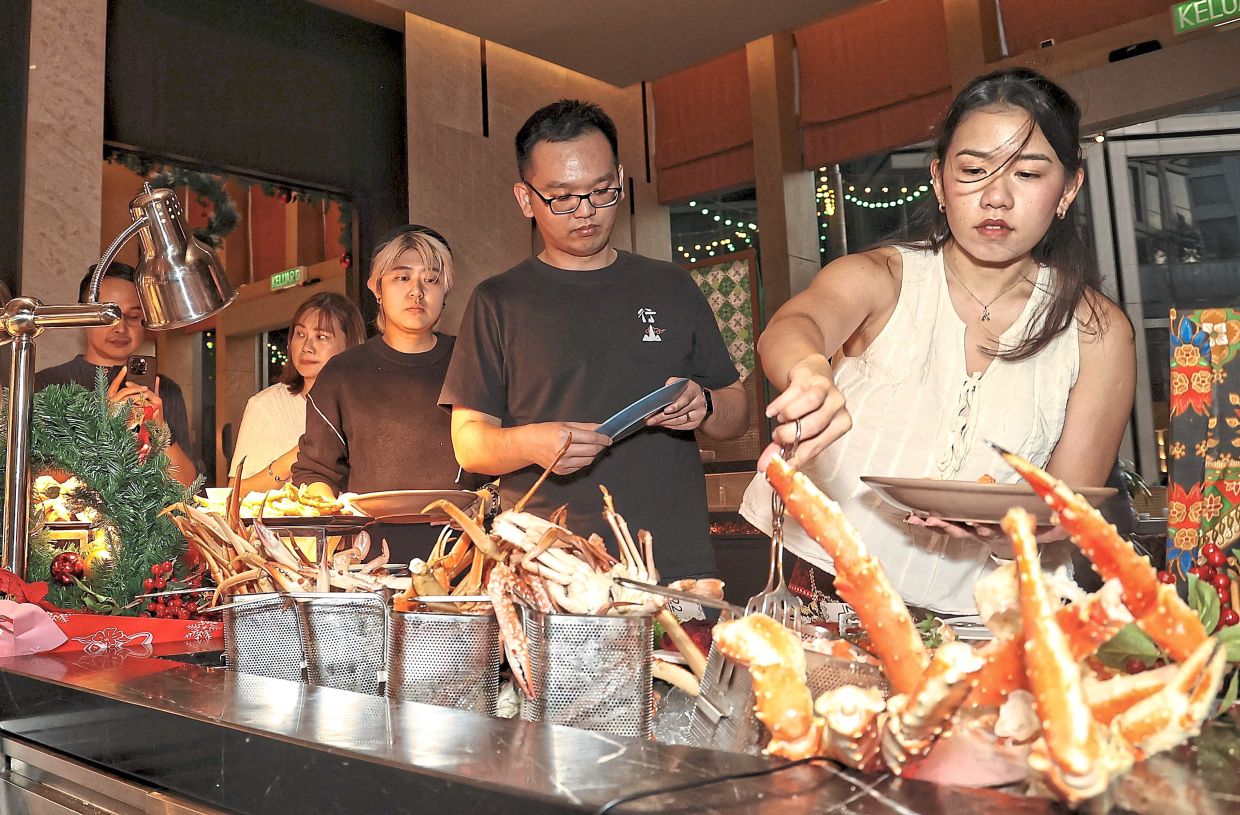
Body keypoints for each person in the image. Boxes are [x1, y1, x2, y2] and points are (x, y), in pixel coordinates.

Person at [740, 68, 1136, 616]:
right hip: (821, 599)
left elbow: (1065, 509)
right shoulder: (883, 277)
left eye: (1027, 173)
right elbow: (793, 325)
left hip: (986, 623)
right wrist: (808, 370)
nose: (996, 197)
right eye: (973, 170)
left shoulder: (1097, 331)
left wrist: (1008, 536)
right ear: (938, 179)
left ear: (1068, 188)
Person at [440, 99, 749, 580]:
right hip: (551, 568)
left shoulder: (671, 286)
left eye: (602, 191)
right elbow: (470, 443)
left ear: (621, 180)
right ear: (525, 199)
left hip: (673, 560)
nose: (586, 212)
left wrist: (705, 404)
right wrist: (532, 442)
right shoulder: (498, 300)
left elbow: (736, 410)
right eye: (562, 198)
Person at [292, 226, 470, 563]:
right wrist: (333, 514)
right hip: (369, 557)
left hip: (461, 555)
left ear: (446, 290)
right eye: (402, 278)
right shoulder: (343, 373)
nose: (417, 292)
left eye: (430, 280)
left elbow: (497, 466)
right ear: (377, 288)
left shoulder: (473, 363)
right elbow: (315, 472)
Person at [36, 263, 203, 488]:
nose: (121, 328)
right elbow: (38, 481)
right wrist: (103, 429)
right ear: (83, 317)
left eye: (133, 317)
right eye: (109, 317)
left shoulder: (164, 389)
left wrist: (160, 431)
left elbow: (187, 488)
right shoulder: (47, 384)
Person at [231, 292, 365, 495]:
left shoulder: (369, 405)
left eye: (321, 337)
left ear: (350, 344)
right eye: (300, 335)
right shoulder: (266, 405)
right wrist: (293, 459)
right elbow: (235, 493)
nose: (306, 347)